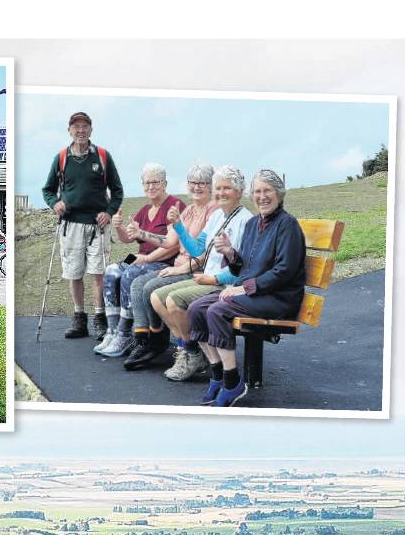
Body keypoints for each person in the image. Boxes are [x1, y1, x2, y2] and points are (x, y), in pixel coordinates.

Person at [185, 169, 306, 408]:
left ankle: (232, 383)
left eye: (267, 191)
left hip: (278, 297)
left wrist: (244, 289)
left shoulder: (287, 225)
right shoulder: (253, 224)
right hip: (256, 293)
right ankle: (218, 374)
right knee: (196, 309)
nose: (262, 196)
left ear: (279, 194)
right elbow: (245, 266)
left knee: (218, 311)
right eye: (258, 191)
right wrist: (231, 253)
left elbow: (284, 271)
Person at [141, 166, 253, 374]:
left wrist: (212, 279)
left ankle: (194, 354)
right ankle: (193, 350)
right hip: (207, 278)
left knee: (174, 301)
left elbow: (243, 268)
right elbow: (197, 249)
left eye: (226, 188)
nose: (220, 193)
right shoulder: (218, 216)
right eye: (218, 188)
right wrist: (178, 226)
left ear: (239, 191)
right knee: (157, 297)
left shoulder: (245, 221)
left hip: (225, 283)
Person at [108, 163, 218, 363]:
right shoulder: (188, 211)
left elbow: (205, 251)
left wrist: (178, 268)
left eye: (203, 183)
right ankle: (138, 337)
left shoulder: (212, 212)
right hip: (173, 263)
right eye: (193, 183)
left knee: (145, 284)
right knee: (127, 278)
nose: (197, 187)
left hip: (192, 268)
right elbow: (169, 241)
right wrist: (138, 233)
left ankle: (159, 340)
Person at [41, 111, 124, 339]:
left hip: (98, 225)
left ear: (90, 130)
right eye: (76, 127)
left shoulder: (103, 157)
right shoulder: (61, 158)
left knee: (98, 273)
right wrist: (54, 203)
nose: (80, 131)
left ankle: (100, 318)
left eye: (85, 127)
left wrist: (109, 212)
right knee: (74, 273)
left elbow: (117, 190)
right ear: (69, 130)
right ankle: (79, 319)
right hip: (71, 225)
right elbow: (47, 190)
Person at [91, 164, 181, 358]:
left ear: (165, 183)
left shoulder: (175, 206)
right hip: (142, 257)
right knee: (112, 271)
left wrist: (146, 258)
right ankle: (112, 331)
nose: (150, 187)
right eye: (147, 183)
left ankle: (124, 332)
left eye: (155, 182)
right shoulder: (145, 209)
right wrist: (119, 227)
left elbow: (173, 245)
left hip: (163, 261)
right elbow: (128, 239)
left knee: (131, 273)